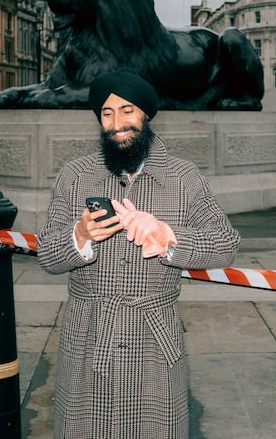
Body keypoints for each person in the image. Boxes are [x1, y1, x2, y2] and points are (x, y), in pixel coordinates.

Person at [37, 68, 241, 439]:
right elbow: (48, 256)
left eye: (127, 110)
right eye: (107, 113)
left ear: (145, 114)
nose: (117, 123)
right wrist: (80, 234)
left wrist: (168, 236)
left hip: (155, 341)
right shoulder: (74, 175)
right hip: (87, 338)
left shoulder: (183, 177)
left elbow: (226, 243)